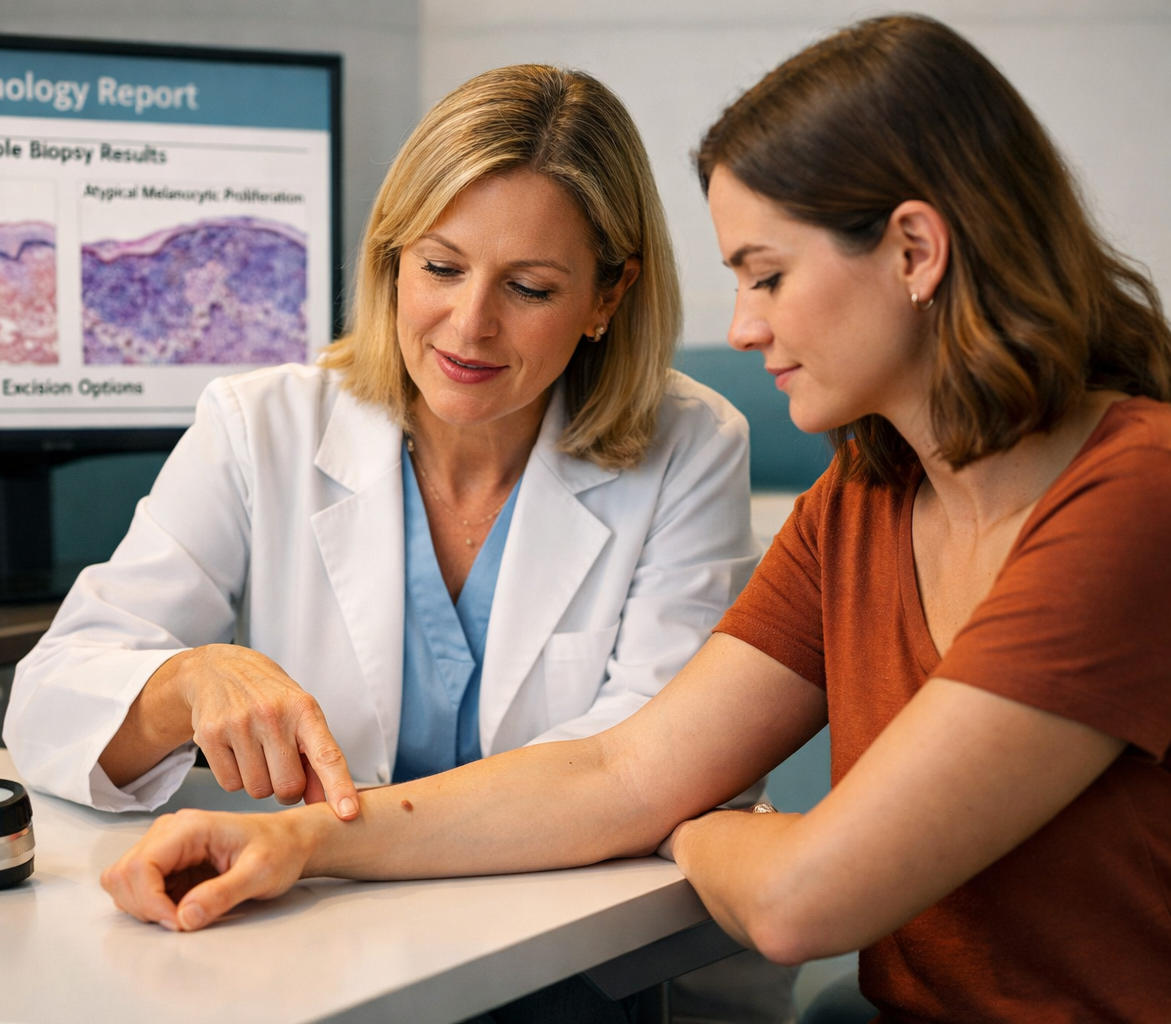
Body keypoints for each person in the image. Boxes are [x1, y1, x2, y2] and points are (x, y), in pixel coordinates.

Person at [99, 15, 1171, 1024]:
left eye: (768, 275)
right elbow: (623, 773)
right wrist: (295, 843)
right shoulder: (864, 499)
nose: (743, 328)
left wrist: (698, 827)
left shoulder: (1136, 496)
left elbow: (800, 898)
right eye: (439, 266)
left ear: (914, 251)